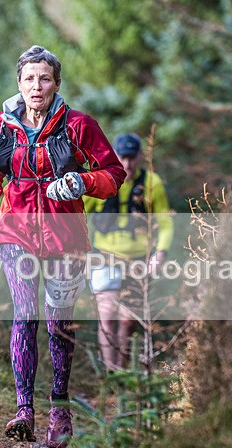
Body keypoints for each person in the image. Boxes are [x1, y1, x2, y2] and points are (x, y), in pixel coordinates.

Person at [0, 46, 125, 448]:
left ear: (56, 83)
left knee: (58, 322)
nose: (36, 86)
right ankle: (24, 409)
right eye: (28, 79)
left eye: (44, 78)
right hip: (15, 231)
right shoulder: (2, 125)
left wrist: (82, 182)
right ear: (19, 84)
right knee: (25, 315)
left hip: (65, 235)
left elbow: (114, 173)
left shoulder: (79, 125)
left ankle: (59, 409)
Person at [82, 133, 173, 371]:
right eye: (122, 157)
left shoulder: (152, 182)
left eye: (132, 158)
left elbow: (165, 223)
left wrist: (159, 254)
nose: (127, 164)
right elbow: (79, 212)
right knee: (107, 316)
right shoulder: (100, 181)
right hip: (105, 256)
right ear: (115, 156)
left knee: (127, 320)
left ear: (140, 157)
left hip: (138, 259)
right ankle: (110, 373)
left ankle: (121, 374)